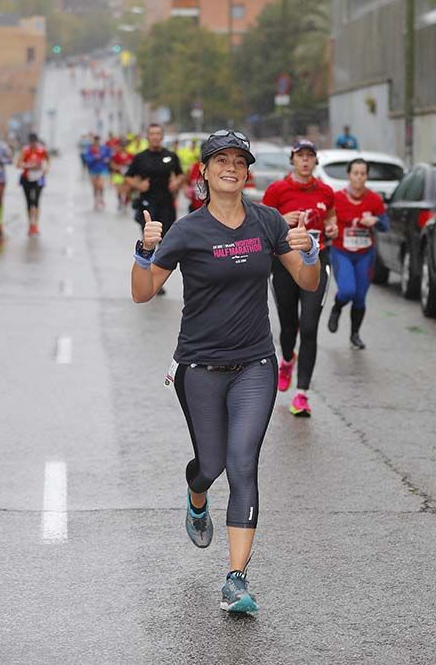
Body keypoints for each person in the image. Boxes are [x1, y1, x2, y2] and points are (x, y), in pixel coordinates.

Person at [131, 130, 321, 613]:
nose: (231, 168)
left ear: (247, 171)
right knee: (211, 466)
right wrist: (144, 250)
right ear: (206, 172)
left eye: (239, 161)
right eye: (222, 161)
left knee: (242, 464)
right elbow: (142, 292)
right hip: (198, 366)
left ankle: (236, 578)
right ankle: (197, 494)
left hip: (255, 363)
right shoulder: (187, 231)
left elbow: (305, 280)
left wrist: (311, 252)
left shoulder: (267, 222)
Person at [261, 139, 338, 417]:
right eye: (300, 156)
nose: (305, 161)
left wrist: (331, 228)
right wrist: (281, 218)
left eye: (310, 156)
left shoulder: (327, 191)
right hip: (283, 264)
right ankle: (287, 358)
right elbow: (261, 226)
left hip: (316, 262)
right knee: (289, 324)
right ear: (292, 160)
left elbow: (332, 219)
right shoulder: (277, 190)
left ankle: (302, 394)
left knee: (309, 326)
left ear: (315, 161)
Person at [326, 158, 388, 349]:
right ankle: (337, 307)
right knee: (347, 291)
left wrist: (375, 221)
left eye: (363, 174)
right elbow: (326, 221)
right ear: (349, 175)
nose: (359, 178)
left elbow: (385, 226)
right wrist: (330, 226)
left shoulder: (374, 200)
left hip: (365, 254)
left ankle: (355, 334)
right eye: (355, 173)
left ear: (367, 176)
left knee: (360, 297)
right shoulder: (336, 198)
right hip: (341, 251)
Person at [125, 124, 184, 295]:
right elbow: (128, 177)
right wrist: (138, 185)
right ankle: (150, 279)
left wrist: (177, 182)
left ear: (162, 136)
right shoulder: (140, 158)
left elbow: (180, 174)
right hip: (147, 205)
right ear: (148, 137)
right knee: (150, 241)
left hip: (166, 203)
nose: (155, 137)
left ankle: (155, 277)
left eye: (158, 134)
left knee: (164, 243)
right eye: (152, 134)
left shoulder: (170, 156)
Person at [17, 132, 50, 237]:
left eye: (34, 142)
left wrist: (46, 169)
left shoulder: (42, 150)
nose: (32, 144)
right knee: (29, 203)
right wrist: (28, 165)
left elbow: (48, 160)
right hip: (27, 178)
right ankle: (30, 224)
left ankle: (35, 224)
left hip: (38, 178)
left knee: (36, 202)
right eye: (31, 142)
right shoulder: (25, 150)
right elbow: (18, 164)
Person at [82, 134, 112, 210]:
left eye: (98, 140)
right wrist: (94, 158)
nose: (97, 142)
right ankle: (96, 200)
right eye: (95, 140)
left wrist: (107, 159)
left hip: (102, 169)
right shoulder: (90, 149)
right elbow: (87, 159)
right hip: (93, 169)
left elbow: (109, 156)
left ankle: (101, 198)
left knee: (100, 185)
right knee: (95, 186)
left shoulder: (104, 148)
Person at [110, 137, 134, 211]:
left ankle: (126, 203)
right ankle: (120, 202)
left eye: (124, 146)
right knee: (119, 191)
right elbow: (112, 164)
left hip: (127, 175)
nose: (123, 147)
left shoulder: (130, 155)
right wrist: (118, 168)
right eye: (122, 146)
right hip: (118, 176)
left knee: (127, 191)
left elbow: (134, 165)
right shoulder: (116, 155)